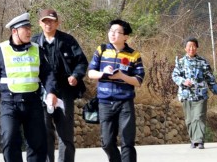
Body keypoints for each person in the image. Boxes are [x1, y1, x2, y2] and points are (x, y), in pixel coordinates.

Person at [0, 12, 54, 162]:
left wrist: (51, 92)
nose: (29, 32)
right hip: (9, 104)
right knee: (9, 140)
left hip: (33, 103)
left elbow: (48, 74)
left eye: (30, 28)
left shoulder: (37, 49)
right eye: (25, 29)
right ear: (14, 31)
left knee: (37, 144)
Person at [30, 9, 88, 162]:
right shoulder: (33, 42)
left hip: (64, 91)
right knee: (44, 132)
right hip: (41, 92)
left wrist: (76, 76)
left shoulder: (68, 40)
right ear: (40, 24)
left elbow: (81, 62)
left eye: (51, 21)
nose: (48, 24)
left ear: (57, 22)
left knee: (65, 134)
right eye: (45, 21)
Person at [87, 19, 145, 162]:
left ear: (125, 36)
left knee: (127, 141)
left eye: (117, 32)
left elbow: (138, 80)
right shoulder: (101, 50)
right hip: (105, 102)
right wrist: (103, 73)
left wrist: (121, 76)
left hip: (125, 101)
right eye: (111, 31)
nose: (112, 34)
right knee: (106, 142)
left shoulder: (134, 55)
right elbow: (90, 73)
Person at [171, 37, 217, 149]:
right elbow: (174, 76)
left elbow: (210, 78)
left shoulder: (203, 62)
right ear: (185, 48)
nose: (191, 48)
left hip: (200, 95)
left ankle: (200, 140)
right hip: (186, 95)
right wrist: (184, 81)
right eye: (189, 46)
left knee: (199, 117)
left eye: (193, 46)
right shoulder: (180, 62)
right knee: (189, 119)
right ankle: (193, 140)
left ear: (197, 48)